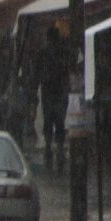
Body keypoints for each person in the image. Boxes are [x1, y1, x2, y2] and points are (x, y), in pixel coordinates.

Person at [39, 25, 73, 172]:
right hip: (56, 92)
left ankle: (52, 148)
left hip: (53, 92)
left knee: (53, 121)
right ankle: (55, 148)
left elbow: (38, 72)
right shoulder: (58, 52)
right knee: (56, 121)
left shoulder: (48, 53)